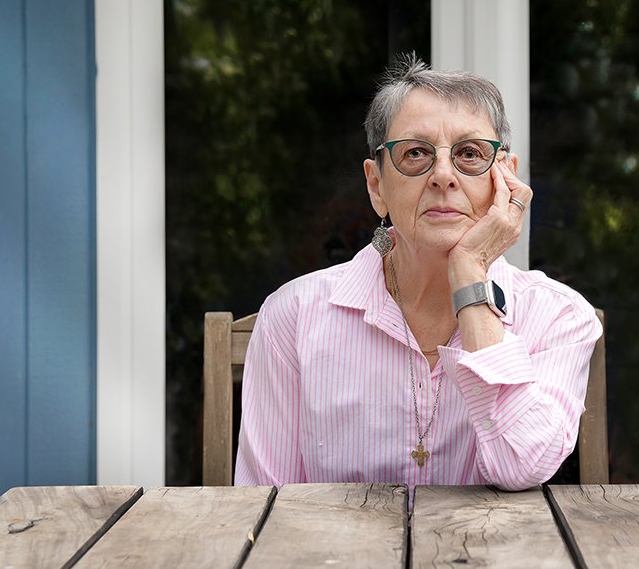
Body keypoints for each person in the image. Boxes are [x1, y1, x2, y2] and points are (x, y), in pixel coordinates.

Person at [234, 54, 602, 490]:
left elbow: (519, 468)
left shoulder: (558, 317)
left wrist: (470, 276)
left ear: (506, 178)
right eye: (415, 153)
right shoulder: (293, 317)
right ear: (377, 186)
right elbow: (264, 510)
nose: (443, 175)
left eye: (469, 154)